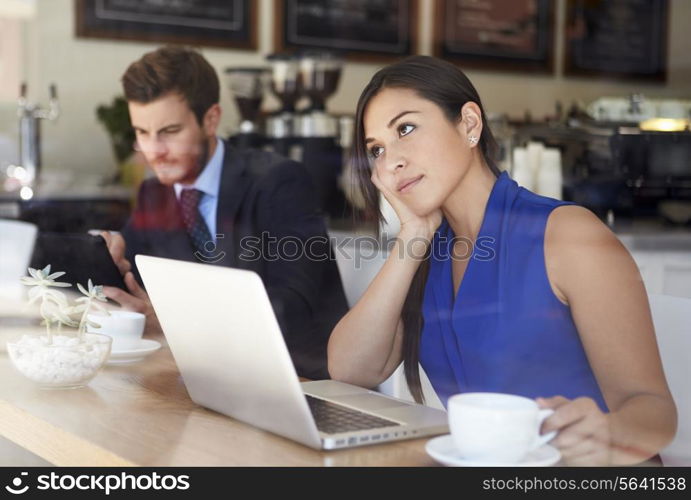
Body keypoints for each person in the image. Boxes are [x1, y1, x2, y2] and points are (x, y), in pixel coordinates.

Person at [327, 56, 677, 465]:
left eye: (406, 129)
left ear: (470, 125)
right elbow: (351, 370)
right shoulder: (429, 250)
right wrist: (412, 237)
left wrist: (609, 434)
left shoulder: (567, 235)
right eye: (376, 150)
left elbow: (655, 412)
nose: (391, 162)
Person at [101, 46, 348, 380]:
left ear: (211, 119)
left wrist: (172, 322)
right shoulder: (155, 194)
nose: (154, 151)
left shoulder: (280, 182)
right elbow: (131, 280)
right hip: (205, 375)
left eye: (170, 132)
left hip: (299, 381)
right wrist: (106, 260)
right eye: (142, 133)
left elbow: (289, 310)